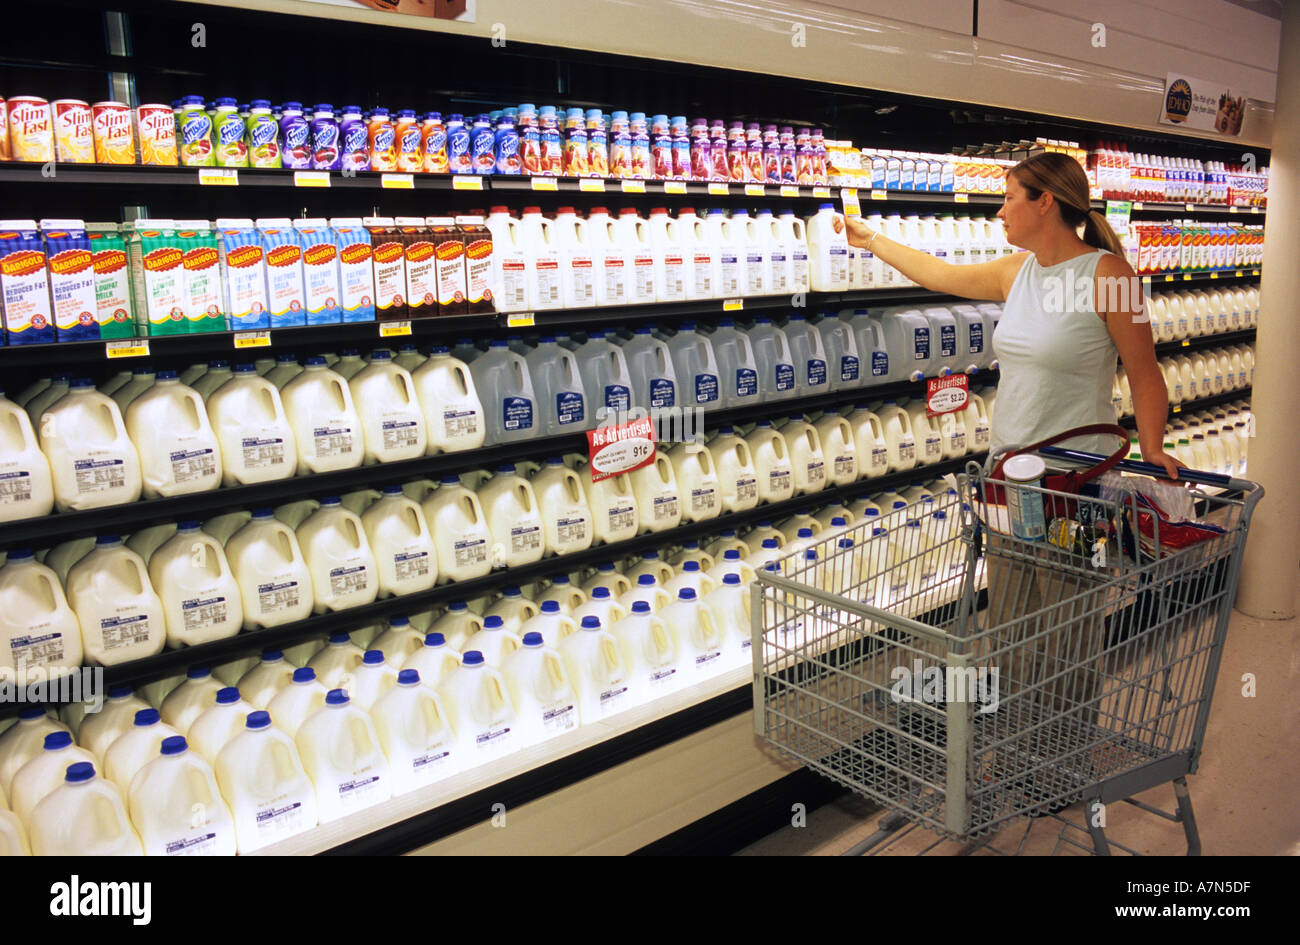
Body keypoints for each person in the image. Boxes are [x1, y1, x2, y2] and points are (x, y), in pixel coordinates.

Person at [832, 152, 1181, 800]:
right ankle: (1019, 749)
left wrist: (1154, 446)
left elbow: (1146, 372)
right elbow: (939, 274)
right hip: (1010, 478)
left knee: (1069, 626)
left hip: (1076, 487)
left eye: (1009, 197)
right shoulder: (1018, 273)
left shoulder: (1106, 276)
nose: (999, 210)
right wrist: (870, 238)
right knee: (1014, 626)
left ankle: (1061, 762)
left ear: (1045, 201)